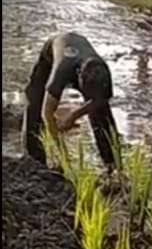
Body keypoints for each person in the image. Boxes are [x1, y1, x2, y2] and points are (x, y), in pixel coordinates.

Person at [22, 32, 120, 172]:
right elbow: (47, 113)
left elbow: (100, 100)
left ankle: (112, 164)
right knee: (34, 102)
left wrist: (73, 116)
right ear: (79, 79)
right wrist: (64, 156)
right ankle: (34, 162)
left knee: (101, 111)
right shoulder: (62, 70)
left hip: (80, 51)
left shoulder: (103, 71)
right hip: (52, 52)